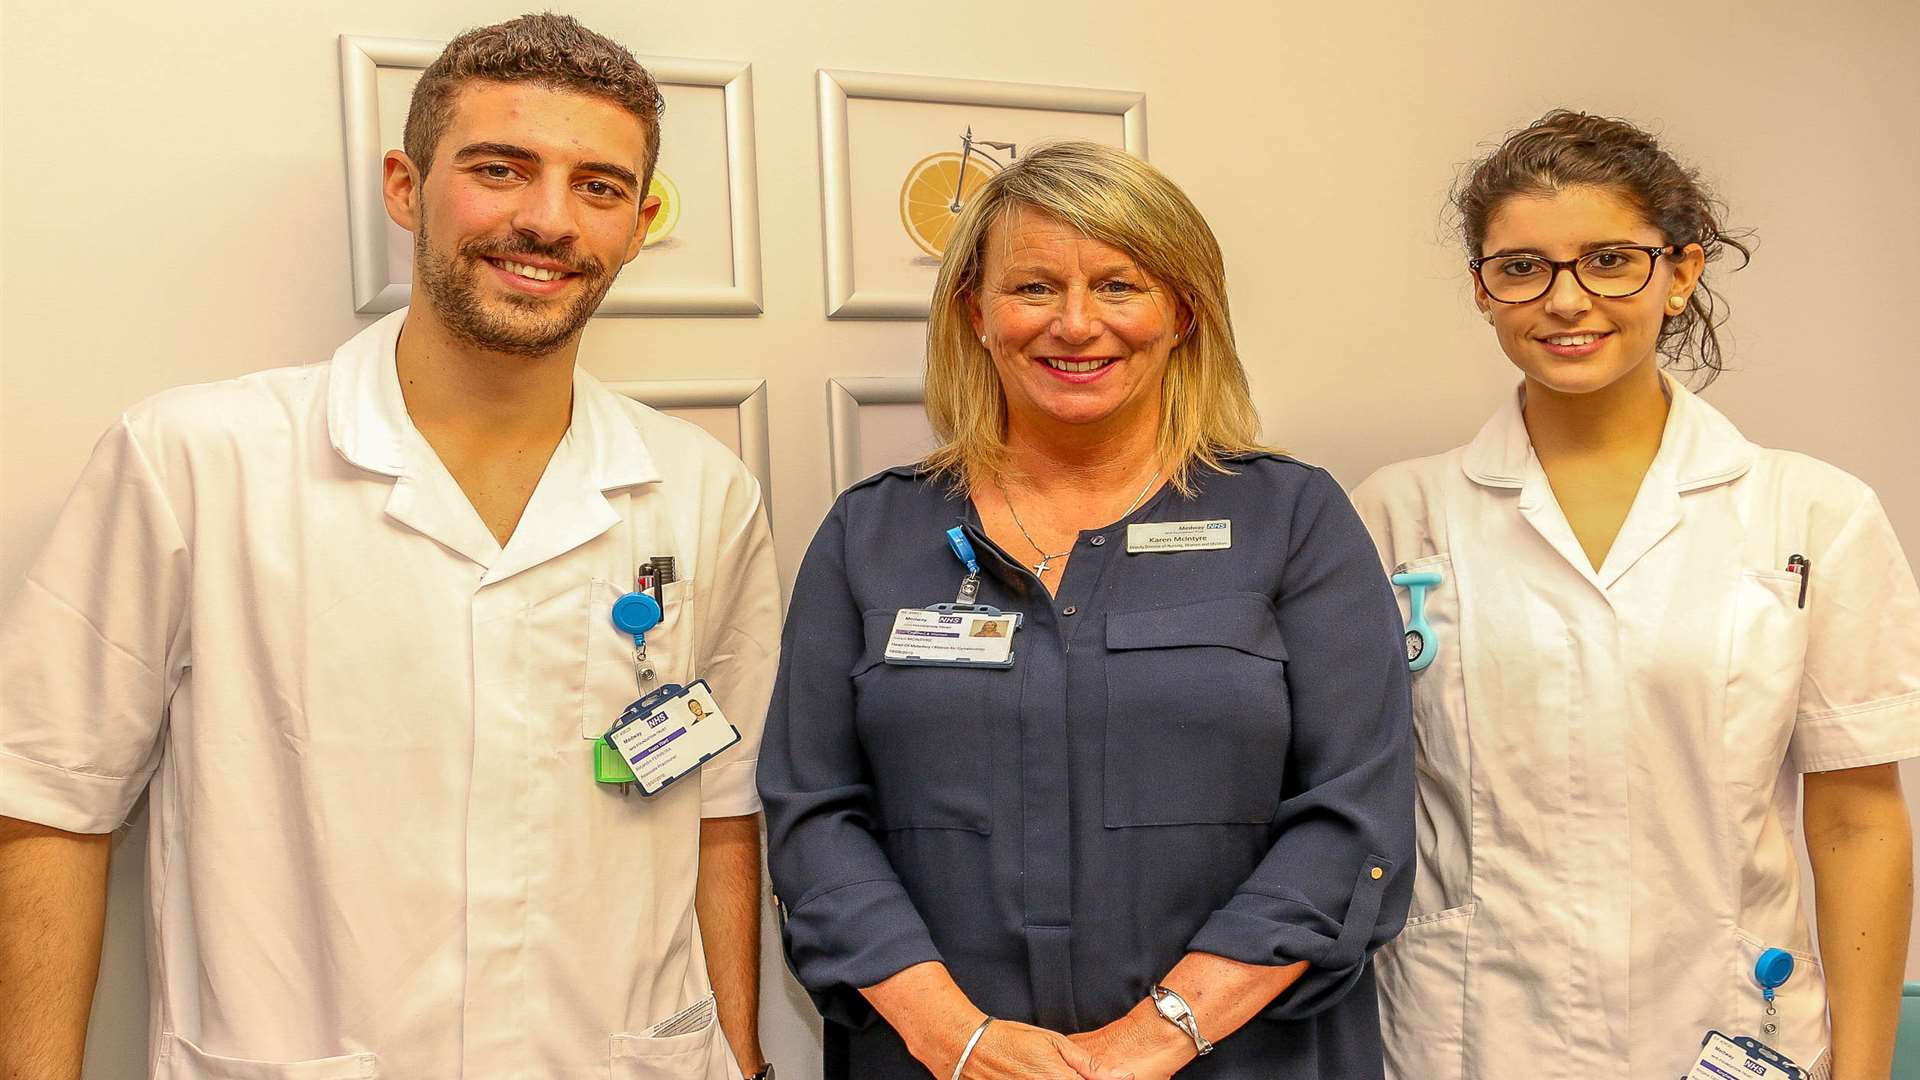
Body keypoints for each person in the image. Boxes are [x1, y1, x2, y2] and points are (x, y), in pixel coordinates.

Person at [0, 15, 780, 1080]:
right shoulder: (194, 461)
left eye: (598, 186)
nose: (547, 220)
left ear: (638, 224)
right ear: (406, 188)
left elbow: (720, 804)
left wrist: (741, 1059)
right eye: (501, 169)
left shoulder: (701, 490)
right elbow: (48, 803)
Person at [760, 141, 1415, 1080]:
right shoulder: (872, 534)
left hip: (1237, 1055)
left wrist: (1149, 1044)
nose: (1076, 325)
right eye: (1032, 287)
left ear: (1184, 312)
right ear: (973, 314)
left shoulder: (1294, 519)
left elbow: (1356, 819)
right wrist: (960, 1040)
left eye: (1120, 285)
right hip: (935, 1062)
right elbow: (814, 817)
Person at [1352, 110, 1918, 1080]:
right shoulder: (1396, 518)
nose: (1565, 300)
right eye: (1521, 267)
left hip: (1730, 1023)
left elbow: (1859, 820)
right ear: (1485, 291)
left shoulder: (1813, 514)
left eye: (1610, 259)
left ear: (1681, 273)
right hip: (1468, 1035)